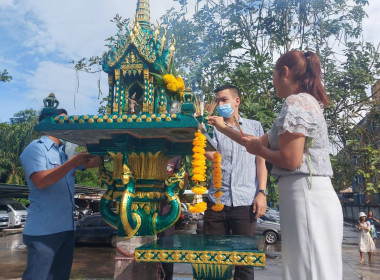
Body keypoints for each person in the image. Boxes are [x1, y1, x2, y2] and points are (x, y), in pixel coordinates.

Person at [209, 51, 343, 279]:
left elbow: (291, 160)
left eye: (273, 74)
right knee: (305, 267)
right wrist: (221, 129)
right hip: (301, 192)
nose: (272, 82)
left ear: (285, 72)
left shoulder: (296, 102)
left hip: (306, 194)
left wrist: (261, 152)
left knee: (308, 268)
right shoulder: (298, 103)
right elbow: (251, 142)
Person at [20, 108, 98, 280]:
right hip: (44, 231)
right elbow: (40, 181)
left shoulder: (63, 153)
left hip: (67, 229)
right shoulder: (35, 149)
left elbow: (94, 162)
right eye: (64, 122)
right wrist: (72, 163)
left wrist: (105, 146)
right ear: (51, 124)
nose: (68, 126)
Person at [205, 85, 268, 280]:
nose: (220, 104)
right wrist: (201, 130)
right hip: (217, 202)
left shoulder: (254, 126)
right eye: (217, 101)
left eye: (224, 100)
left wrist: (262, 193)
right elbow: (210, 154)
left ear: (237, 101)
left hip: (245, 202)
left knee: (245, 264)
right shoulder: (212, 127)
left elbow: (261, 160)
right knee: (215, 263)